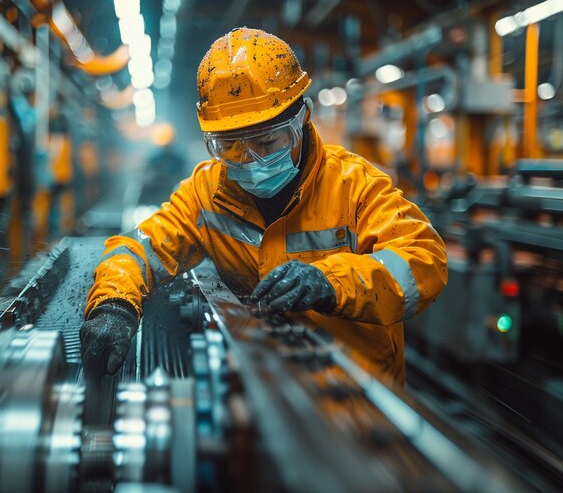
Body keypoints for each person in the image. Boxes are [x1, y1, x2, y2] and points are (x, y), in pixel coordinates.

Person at [80, 27, 447, 384]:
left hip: (360, 396)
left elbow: (423, 260)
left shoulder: (354, 186)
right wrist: (114, 303)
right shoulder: (206, 192)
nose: (250, 160)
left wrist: (330, 281)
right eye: (230, 147)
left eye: (268, 142)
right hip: (266, 387)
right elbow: (136, 248)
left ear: (301, 120)